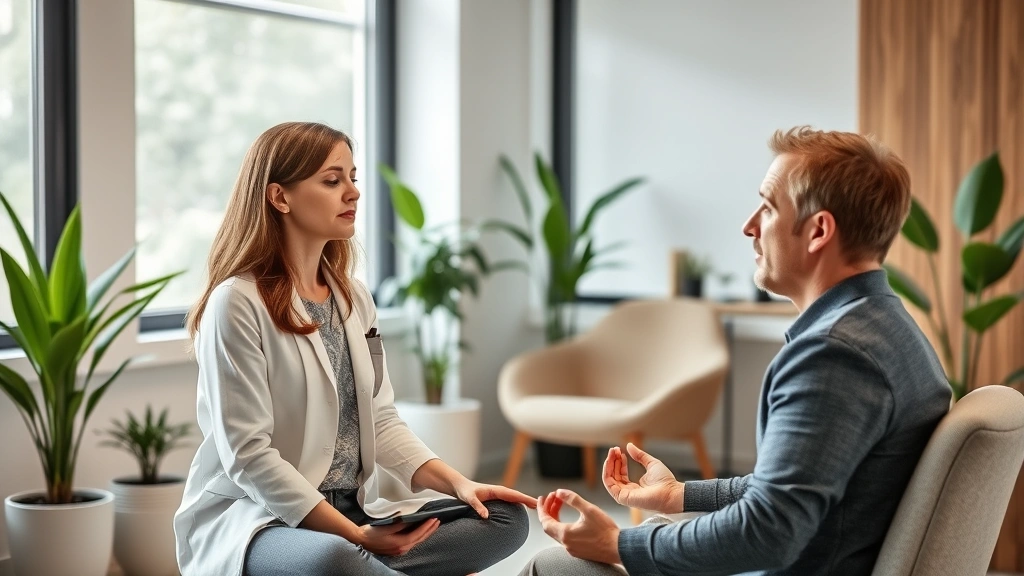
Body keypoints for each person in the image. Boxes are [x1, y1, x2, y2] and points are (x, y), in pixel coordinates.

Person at [518, 127, 952, 576]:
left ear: (819, 230)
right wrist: (678, 497)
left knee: (550, 568)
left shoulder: (833, 356)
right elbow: (789, 487)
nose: (749, 226)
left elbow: (766, 533)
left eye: (767, 207)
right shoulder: (890, 328)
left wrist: (618, 543)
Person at [173, 121, 533, 576]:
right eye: (332, 180)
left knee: (503, 518)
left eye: (353, 178)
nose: (353, 193)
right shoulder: (237, 302)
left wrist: (460, 485)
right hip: (265, 519)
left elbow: (380, 421)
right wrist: (354, 536)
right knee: (334, 559)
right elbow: (248, 455)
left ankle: (369, 566)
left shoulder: (353, 297)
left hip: (356, 509)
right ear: (279, 197)